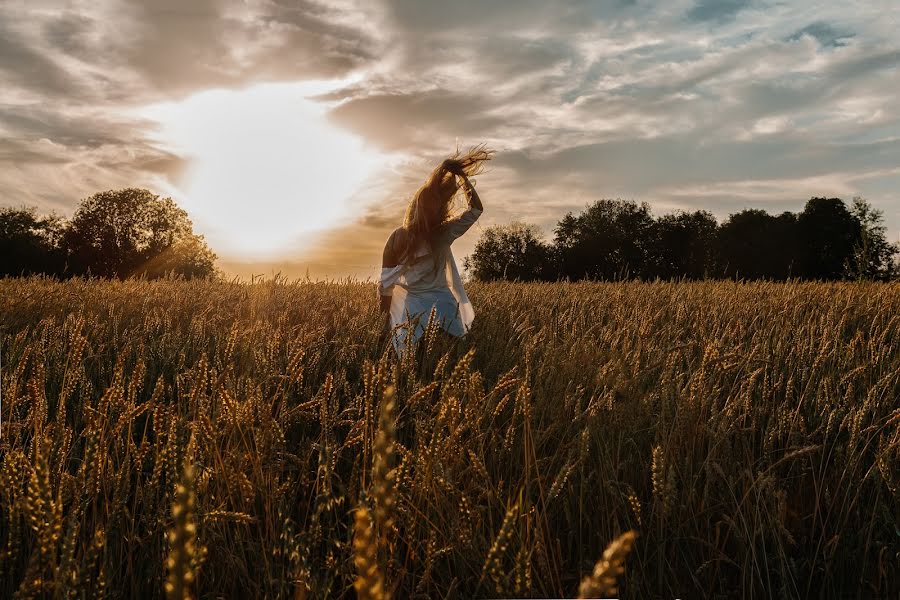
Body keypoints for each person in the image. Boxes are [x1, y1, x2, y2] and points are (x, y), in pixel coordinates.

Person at [379, 146, 494, 357]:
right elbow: (476, 210)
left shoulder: (405, 236)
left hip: (420, 305)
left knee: (417, 359)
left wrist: (383, 323)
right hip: (436, 303)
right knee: (451, 354)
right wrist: (461, 178)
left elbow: (385, 286)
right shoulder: (440, 233)